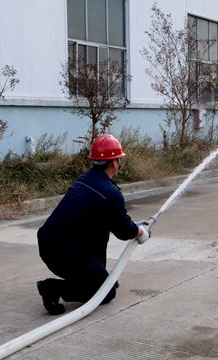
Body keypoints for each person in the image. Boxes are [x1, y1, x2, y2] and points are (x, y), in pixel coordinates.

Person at [36, 134, 151, 315]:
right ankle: (52, 288)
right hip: (65, 253)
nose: (120, 162)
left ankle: (99, 279)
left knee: (99, 231)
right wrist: (140, 232)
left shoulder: (86, 180)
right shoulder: (110, 193)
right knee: (106, 293)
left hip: (51, 244)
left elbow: (111, 222)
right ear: (114, 163)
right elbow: (123, 231)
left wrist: (133, 227)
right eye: (119, 159)